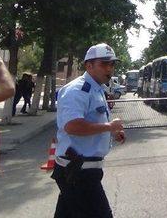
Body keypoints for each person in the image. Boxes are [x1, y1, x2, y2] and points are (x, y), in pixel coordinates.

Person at [52, 43, 126, 218]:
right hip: (78, 173)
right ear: (89, 65)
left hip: (83, 170)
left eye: (112, 64)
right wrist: (109, 127)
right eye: (104, 64)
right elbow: (72, 126)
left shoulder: (96, 88)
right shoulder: (77, 90)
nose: (109, 69)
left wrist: (111, 132)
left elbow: (93, 121)